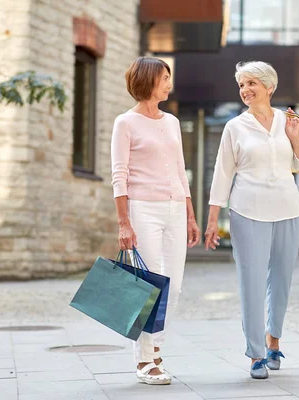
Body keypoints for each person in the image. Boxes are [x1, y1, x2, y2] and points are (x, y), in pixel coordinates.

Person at [204, 61, 299, 379]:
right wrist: (213, 220)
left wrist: (294, 137)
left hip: (288, 210)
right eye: (241, 85)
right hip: (247, 212)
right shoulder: (235, 127)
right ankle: (255, 355)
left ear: (269, 86)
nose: (246, 90)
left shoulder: (288, 121)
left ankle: (273, 341)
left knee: (281, 280)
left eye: (252, 83)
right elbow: (222, 174)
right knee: (251, 283)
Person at [111, 56, 201, 385]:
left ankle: (156, 350)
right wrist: (124, 222)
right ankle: (144, 361)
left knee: (173, 286)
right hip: (143, 209)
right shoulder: (125, 123)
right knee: (148, 286)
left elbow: (180, 170)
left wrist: (191, 215)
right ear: (148, 81)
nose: (169, 83)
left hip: (175, 208)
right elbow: (119, 176)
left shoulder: (172, 122)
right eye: (164, 77)